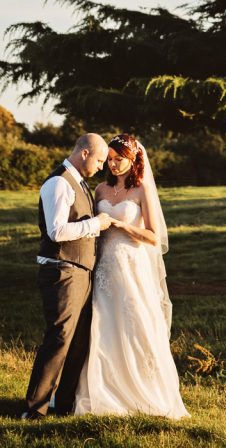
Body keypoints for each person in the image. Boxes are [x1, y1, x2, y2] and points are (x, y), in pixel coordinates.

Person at [74, 132, 189, 419]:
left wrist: (121, 226)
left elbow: (154, 236)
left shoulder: (141, 191)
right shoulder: (100, 189)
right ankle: (104, 389)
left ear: (133, 159)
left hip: (132, 266)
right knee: (104, 325)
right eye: (109, 159)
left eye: (118, 159)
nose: (112, 165)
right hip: (104, 268)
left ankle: (144, 392)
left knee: (134, 324)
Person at [22, 133, 113, 420]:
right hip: (62, 271)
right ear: (84, 153)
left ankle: (63, 404)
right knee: (59, 338)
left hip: (80, 271)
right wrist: (95, 224)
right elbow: (57, 231)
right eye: (99, 160)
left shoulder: (80, 183)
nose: (102, 166)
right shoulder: (59, 182)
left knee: (78, 341)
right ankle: (34, 408)